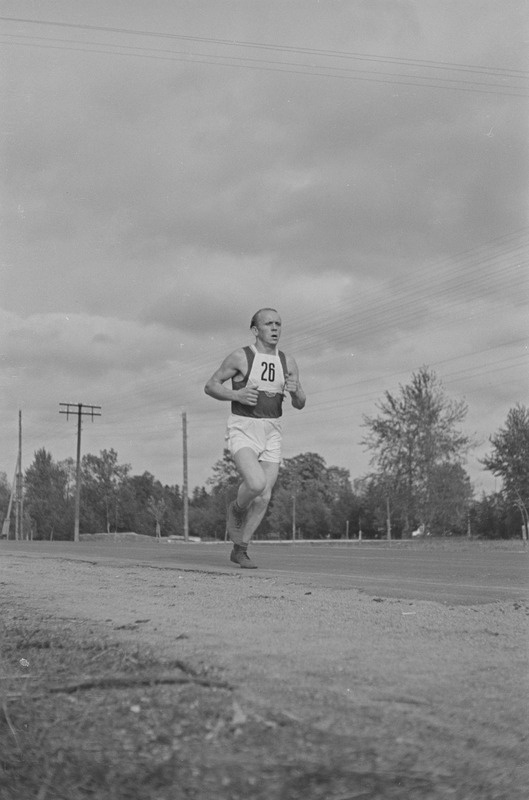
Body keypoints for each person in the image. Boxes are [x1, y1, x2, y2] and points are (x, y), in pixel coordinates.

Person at [204, 308, 306, 568]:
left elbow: (301, 401)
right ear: (255, 330)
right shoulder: (241, 356)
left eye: (279, 324)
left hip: (272, 430)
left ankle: (240, 549)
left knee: (264, 496)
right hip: (244, 427)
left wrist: (296, 393)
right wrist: (236, 395)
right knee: (257, 483)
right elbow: (211, 385)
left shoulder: (288, 361)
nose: (275, 328)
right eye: (269, 323)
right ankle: (237, 508)